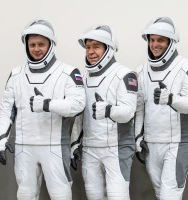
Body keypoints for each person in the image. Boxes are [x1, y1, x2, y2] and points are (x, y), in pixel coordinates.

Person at [0, 19, 86, 200]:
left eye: (41, 44)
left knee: (61, 195)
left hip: (55, 147)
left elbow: (78, 105)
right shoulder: (16, 75)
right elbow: (6, 110)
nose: (36, 49)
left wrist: (47, 104)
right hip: (24, 147)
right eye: (32, 44)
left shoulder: (68, 72)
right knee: (26, 195)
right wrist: (0, 139)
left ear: (51, 44)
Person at [135, 17, 188, 200]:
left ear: (171, 42)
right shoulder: (141, 71)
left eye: (160, 40)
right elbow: (140, 107)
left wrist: (171, 99)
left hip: (178, 143)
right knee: (160, 194)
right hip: (152, 142)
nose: (155, 44)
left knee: (169, 195)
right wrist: (138, 135)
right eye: (152, 40)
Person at [74, 24, 138, 200]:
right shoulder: (84, 78)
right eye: (88, 47)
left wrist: (108, 110)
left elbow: (129, 112)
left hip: (116, 149)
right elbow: (81, 115)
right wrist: (74, 141)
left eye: (96, 46)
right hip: (90, 149)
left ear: (108, 49)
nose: (91, 52)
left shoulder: (125, 74)